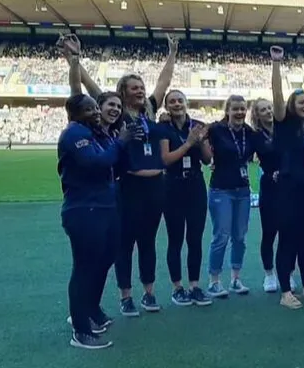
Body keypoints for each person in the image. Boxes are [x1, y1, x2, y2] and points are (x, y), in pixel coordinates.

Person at [57, 94, 132, 349]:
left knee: (106, 259)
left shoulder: (95, 134)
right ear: (75, 113)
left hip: (105, 207)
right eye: (89, 109)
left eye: (94, 108)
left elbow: (114, 163)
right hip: (84, 208)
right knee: (85, 267)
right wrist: (120, 143)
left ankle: (90, 310)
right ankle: (80, 329)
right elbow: (96, 163)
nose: (95, 112)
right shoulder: (74, 133)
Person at [113, 35, 177, 316]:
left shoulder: (149, 111)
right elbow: (89, 89)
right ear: (122, 92)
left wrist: (172, 53)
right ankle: (125, 296)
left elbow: (162, 83)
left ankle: (149, 294)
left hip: (156, 187)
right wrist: (74, 61)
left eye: (141, 87)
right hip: (130, 186)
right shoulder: (117, 115)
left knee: (148, 241)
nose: (140, 91)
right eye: (134, 88)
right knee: (125, 242)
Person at [271, 46, 304, 309]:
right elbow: (277, 98)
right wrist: (277, 64)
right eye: (300, 102)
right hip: (290, 191)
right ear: (292, 106)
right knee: (289, 240)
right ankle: (285, 291)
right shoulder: (285, 126)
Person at [158, 90, 212, 306]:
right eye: (172, 101)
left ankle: (195, 286)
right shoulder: (163, 128)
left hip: (195, 185)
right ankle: (177, 287)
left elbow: (208, 160)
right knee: (176, 239)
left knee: (195, 239)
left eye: (180, 100)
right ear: (167, 106)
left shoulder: (198, 125)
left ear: (186, 103)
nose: (177, 104)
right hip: (172, 185)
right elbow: (166, 159)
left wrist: (199, 142)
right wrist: (189, 143)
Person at [204, 95, 256, 298]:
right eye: (235, 109)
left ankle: (235, 279)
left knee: (240, 237)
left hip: (243, 190)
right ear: (227, 110)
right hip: (221, 189)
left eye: (243, 109)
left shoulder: (248, 132)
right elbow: (197, 130)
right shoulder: (216, 129)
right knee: (221, 236)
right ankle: (214, 281)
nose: (240, 113)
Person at [249, 98, 290, 292]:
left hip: (289, 185)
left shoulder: (285, 130)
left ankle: (288, 272)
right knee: (269, 233)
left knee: (288, 233)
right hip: (269, 185)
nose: (267, 111)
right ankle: (269, 274)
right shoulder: (255, 135)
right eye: (263, 109)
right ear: (257, 114)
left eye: (270, 108)